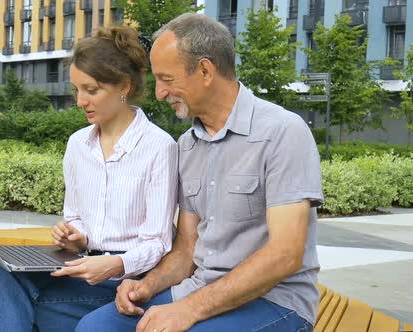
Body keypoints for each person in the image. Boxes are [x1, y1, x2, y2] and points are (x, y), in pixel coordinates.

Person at [76, 13, 324, 332]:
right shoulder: (188, 145)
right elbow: (187, 250)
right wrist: (147, 286)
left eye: (167, 79)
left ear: (205, 71)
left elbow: (285, 255)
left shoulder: (282, 132)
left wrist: (190, 309)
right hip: (197, 290)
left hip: (274, 302)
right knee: (94, 328)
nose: (159, 93)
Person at [0, 25, 179, 332]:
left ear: (123, 86)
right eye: (77, 90)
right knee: (0, 277)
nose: (80, 101)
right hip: (79, 270)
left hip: (127, 285)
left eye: (91, 90)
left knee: (17, 310)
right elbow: (75, 215)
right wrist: (76, 235)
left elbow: (159, 243)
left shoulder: (159, 147)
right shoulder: (77, 144)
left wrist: (115, 264)